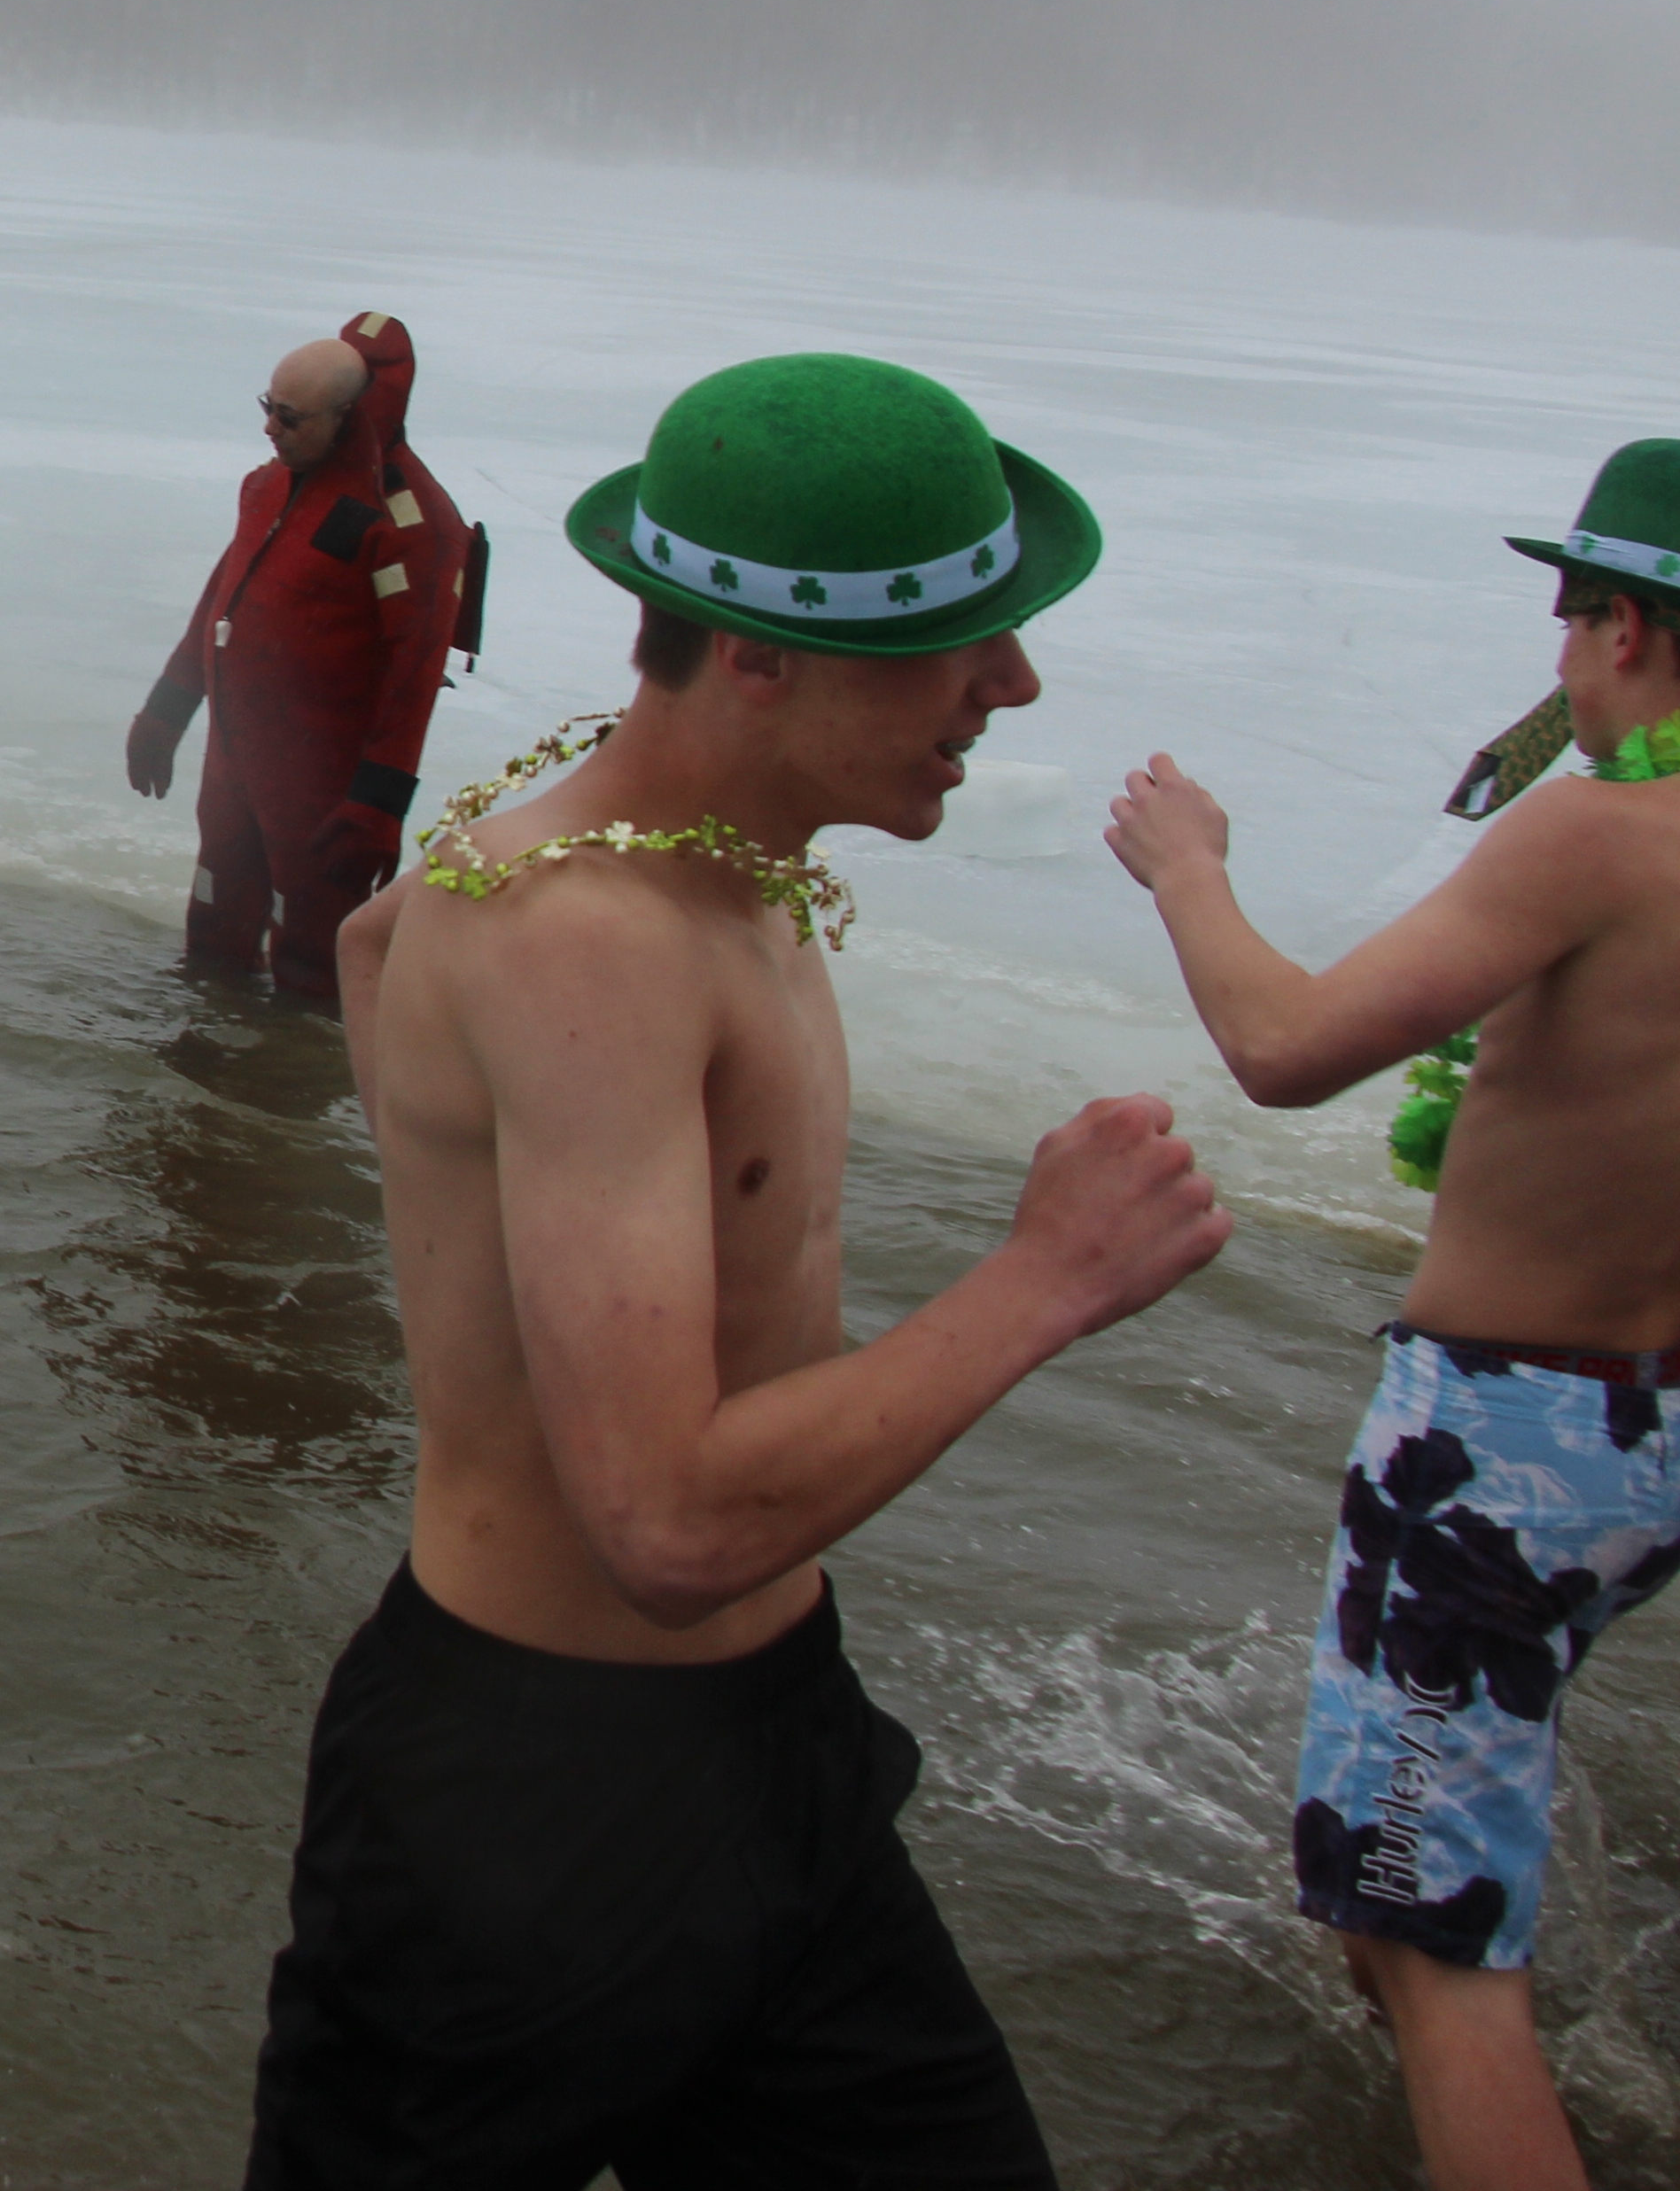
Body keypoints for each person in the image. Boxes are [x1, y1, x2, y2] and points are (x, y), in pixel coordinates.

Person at [249, 350, 1229, 2187]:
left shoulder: (711, 865)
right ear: (758, 656)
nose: (1012, 683)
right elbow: (670, 1528)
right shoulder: (590, 937)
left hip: (779, 1754)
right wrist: (1045, 1278)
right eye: (950, 640)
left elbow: (378, 943)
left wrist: (465, 1209)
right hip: (520, 1810)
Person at [1106, 438, 1680, 2191]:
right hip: (1653, 1438)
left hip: (1504, 1454)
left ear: (1624, 629)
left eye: (1569, 618)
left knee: (1431, 1950)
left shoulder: (1599, 835)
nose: (1560, 657)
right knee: (1399, 1886)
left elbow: (1286, 1050)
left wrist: (1185, 868)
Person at [128, 309, 471, 1002]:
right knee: (214, 929)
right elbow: (221, 600)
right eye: (268, 408)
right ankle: (205, 1054)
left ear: (349, 417)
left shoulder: (409, 525)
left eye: (289, 418)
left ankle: (305, 1065)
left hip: (323, 789)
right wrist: (167, 710)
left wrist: (379, 803)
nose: (269, 429)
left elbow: (414, 673)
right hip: (237, 761)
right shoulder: (272, 486)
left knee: (314, 965)